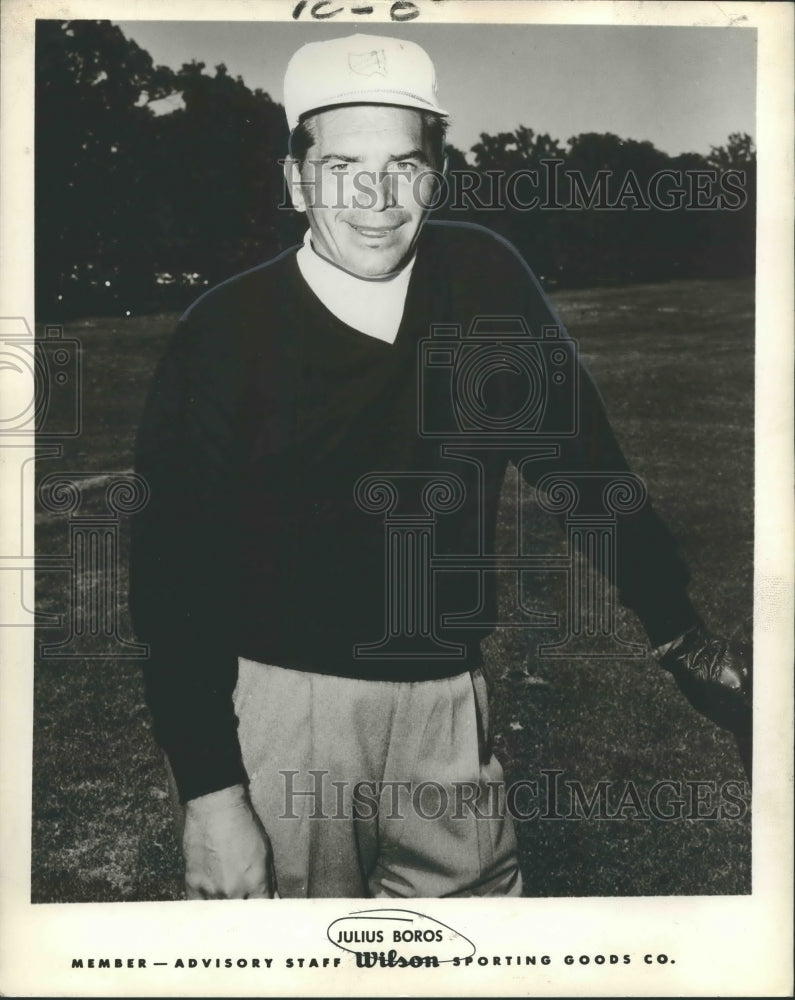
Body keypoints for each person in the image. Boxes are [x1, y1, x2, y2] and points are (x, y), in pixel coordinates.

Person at [130, 33, 751, 900]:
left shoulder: (480, 277)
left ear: (436, 173)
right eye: (343, 164)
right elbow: (171, 579)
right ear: (295, 180)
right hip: (284, 715)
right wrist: (211, 794)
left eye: (404, 165)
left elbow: (583, 471)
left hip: (448, 706)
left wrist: (682, 636)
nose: (378, 198)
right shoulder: (225, 332)